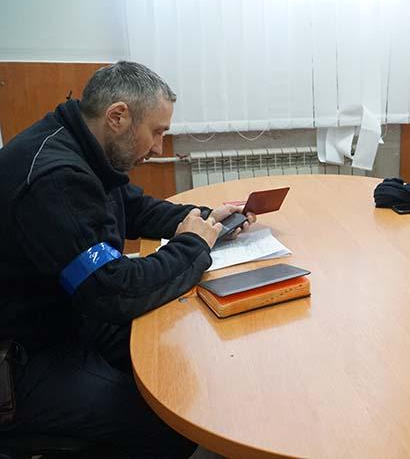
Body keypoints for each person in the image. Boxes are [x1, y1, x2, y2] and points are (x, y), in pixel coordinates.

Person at [0, 61, 254, 457]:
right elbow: (112, 290)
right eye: (157, 132)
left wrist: (206, 220)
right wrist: (193, 246)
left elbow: (135, 209)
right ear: (117, 116)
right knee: (172, 421)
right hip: (24, 359)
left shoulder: (83, 145)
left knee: (187, 354)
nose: (157, 148)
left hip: (69, 315)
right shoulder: (55, 178)